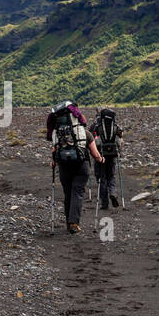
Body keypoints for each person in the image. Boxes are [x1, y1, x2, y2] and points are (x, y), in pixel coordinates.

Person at [47, 100, 104, 233]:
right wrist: (101, 159)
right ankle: (74, 223)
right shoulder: (85, 133)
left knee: (68, 194)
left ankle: (69, 223)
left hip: (64, 166)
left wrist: (53, 162)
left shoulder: (58, 134)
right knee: (77, 193)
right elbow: (95, 154)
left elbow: (54, 150)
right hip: (81, 166)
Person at [89, 107, 124, 208]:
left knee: (101, 177)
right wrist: (119, 152)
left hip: (100, 155)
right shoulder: (116, 127)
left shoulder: (97, 126)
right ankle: (112, 192)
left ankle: (104, 203)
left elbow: (91, 137)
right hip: (112, 155)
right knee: (111, 176)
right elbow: (120, 140)